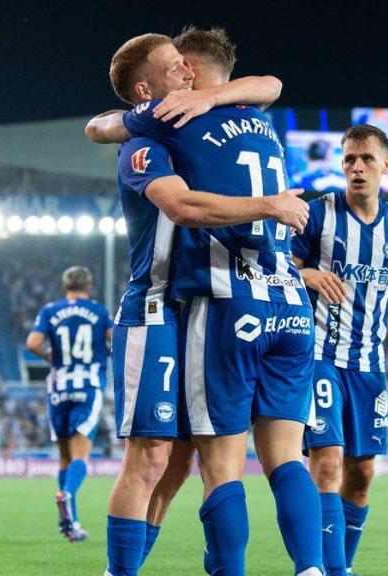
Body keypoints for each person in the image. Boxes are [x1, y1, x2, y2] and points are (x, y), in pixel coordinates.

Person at [95, 29, 309, 575]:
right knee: (150, 459)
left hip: (203, 310)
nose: (186, 73)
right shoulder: (144, 144)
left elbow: (270, 84)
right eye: (174, 67)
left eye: (186, 64)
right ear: (146, 92)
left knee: (180, 463)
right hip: (155, 309)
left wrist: (214, 95)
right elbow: (182, 205)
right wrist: (270, 205)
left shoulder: (198, 124)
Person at [292, 124, 388, 576]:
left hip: (368, 365)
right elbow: (279, 270)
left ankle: (341, 564)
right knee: (327, 464)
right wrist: (308, 275)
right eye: (349, 160)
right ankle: (330, 571)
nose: (357, 168)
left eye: (367, 159)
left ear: (386, 165)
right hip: (319, 356)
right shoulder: (317, 215)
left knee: (361, 476)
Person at [26, 266, 113, 542]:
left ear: (65, 287)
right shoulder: (98, 311)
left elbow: (32, 343)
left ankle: (70, 523)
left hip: (58, 389)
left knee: (64, 457)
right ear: (89, 287)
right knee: (80, 457)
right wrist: (106, 351)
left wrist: (48, 356)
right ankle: (67, 495)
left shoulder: (50, 310)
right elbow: (116, 340)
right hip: (87, 386)